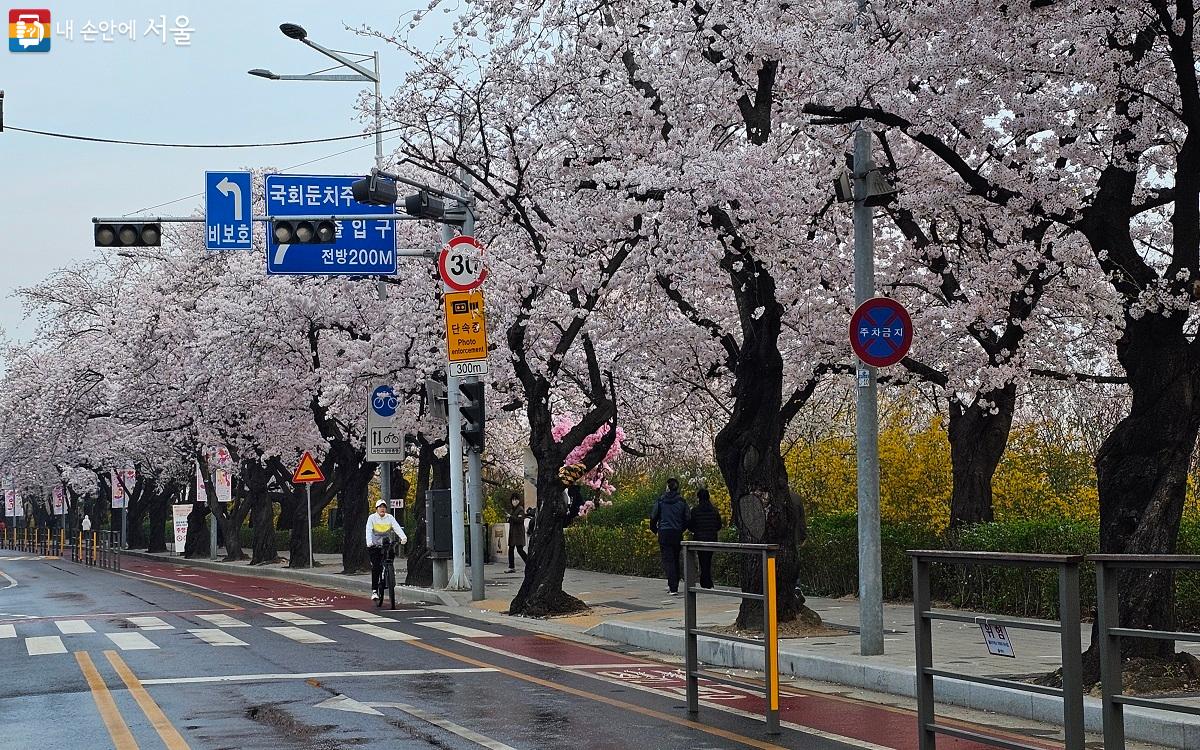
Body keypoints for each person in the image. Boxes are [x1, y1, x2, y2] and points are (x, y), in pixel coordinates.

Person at [650, 478, 689, 595]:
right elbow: (687, 518)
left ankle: (673, 587)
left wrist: (656, 530)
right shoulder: (682, 501)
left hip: (664, 533)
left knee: (668, 560)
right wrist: (681, 529)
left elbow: (653, 517)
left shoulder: (661, 501)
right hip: (677, 533)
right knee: (676, 558)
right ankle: (674, 583)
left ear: (667, 487)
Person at [365, 500, 407, 601]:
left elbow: (397, 528)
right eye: (380, 507)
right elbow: (368, 530)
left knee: (390, 558)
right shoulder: (372, 518)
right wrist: (369, 542)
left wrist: (403, 537)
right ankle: (375, 591)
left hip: (386, 544)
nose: (382, 509)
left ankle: (389, 572)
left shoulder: (390, 518)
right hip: (374, 545)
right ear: (376, 509)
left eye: (384, 507)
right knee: (376, 567)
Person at [687, 487, 724, 589]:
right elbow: (719, 525)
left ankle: (705, 581)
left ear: (699, 498)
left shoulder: (695, 511)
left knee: (703, 560)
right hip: (711, 538)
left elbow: (690, 525)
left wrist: (696, 530)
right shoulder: (714, 510)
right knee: (708, 560)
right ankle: (707, 581)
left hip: (699, 539)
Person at [505, 492, 528, 573]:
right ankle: (511, 567)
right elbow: (512, 520)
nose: (514, 501)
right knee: (511, 549)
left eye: (516, 500)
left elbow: (520, 520)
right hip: (513, 533)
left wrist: (511, 517)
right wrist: (509, 518)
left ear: (518, 500)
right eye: (513, 500)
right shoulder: (513, 510)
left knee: (520, 549)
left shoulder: (520, 510)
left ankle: (529, 564)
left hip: (518, 533)